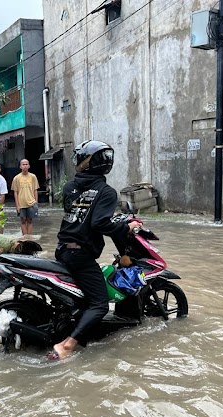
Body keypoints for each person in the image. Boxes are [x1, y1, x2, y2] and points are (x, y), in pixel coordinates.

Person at [49, 140, 142, 361]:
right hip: (80, 255)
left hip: (63, 249)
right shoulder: (106, 192)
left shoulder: (69, 187)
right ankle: (67, 346)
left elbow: (80, 217)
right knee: (100, 304)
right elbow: (100, 223)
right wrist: (125, 226)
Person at [11, 159, 39, 235]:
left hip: (31, 202)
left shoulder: (33, 177)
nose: (25, 166)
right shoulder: (16, 178)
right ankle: (24, 239)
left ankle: (29, 238)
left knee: (30, 220)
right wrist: (17, 205)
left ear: (29, 166)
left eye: (26, 164)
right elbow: (15, 192)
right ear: (20, 166)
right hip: (21, 203)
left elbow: (35, 190)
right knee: (23, 221)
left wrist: (36, 202)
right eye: (23, 164)